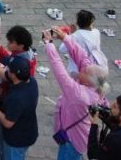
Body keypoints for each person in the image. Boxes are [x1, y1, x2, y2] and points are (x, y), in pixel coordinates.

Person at [43, 28, 110, 160]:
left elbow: (59, 71)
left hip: (72, 141)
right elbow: (83, 58)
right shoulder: (95, 84)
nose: (81, 69)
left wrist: (49, 45)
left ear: (89, 81)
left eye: (84, 71)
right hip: (74, 134)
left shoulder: (79, 94)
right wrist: (65, 38)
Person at [0, 56, 39, 160]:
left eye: (8, 69)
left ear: (13, 75)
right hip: (28, 131)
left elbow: (7, 123)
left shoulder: (17, 98)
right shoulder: (32, 81)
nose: (6, 69)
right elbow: (3, 74)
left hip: (16, 141)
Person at [58, 10, 107, 78]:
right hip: (95, 67)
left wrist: (70, 34)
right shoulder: (96, 32)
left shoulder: (75, 36)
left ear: (77, 23)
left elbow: (62, 49)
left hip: (77, 70)